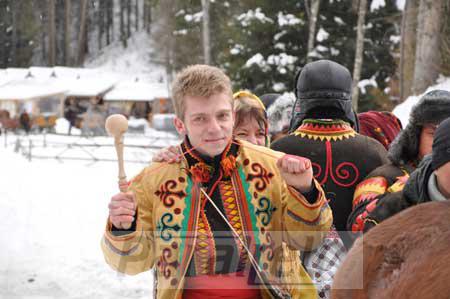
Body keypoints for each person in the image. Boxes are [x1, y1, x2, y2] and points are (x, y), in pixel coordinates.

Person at [101, 65, 332, 299]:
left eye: (222, 116)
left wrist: (305, 190)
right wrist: (123, 228)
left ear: (232, 114)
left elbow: (308, 238)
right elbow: (130, 262)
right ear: (180, 124)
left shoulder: (273, 166)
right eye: (200, 119)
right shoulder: (153, 180)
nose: (214, 128)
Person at [155, 90, 347, 299]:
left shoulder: (279, 176)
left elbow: (314, 235)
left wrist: (305, 190)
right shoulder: (191, 176)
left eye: (260, 133)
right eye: (242, 134)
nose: (254, 142)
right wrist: (174, 163)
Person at [271, 60, 389, 248]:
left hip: (293, 269)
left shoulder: (277, 151)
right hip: (357, 267)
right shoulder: (373, 151)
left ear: (300, 101)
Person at [348, 89, 450, 233]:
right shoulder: (384, 176)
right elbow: (356, 231)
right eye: (433, 134)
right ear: (416, 135)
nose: (442, 143)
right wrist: (396, 199)